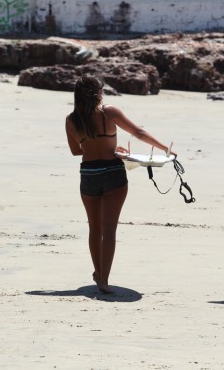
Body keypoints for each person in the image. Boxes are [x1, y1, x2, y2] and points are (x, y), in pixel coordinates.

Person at [65, 75, 172, 294]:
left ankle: (98, 274)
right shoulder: (109, 111)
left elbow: (77, 151)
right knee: (110, 230)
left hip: (89, 174)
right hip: (113, 173)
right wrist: (165, 149)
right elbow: (138, 132)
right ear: (98, 93)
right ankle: (104, 279)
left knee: (95, 228)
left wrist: (99, 146)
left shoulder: (72, 119)